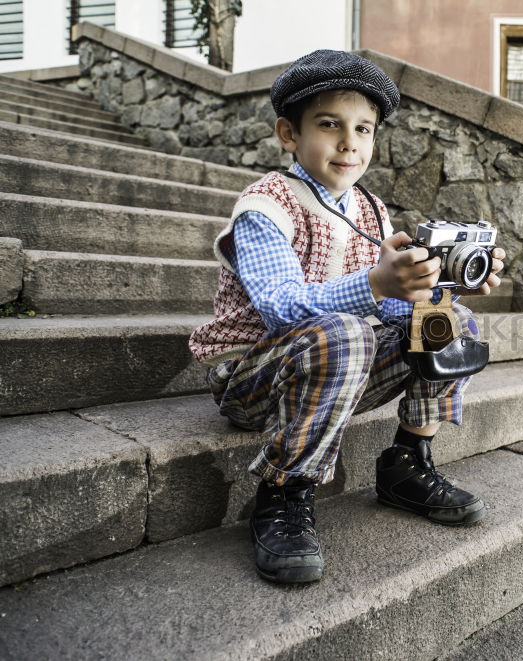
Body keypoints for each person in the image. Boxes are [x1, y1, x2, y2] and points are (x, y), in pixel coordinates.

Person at [188, 50, 505, 584]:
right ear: (289, 133)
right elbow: (280, 308)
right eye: (329, 124)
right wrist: (377, 283)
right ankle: (285, 490)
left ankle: (407, 463)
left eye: (364, 128)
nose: (348, 142)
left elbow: (389, 306)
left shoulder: (370, 210)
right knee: (347, 331)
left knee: (447, 321)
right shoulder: (266, 205)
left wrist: (443, 286)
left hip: (333, 369)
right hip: (251, 376)